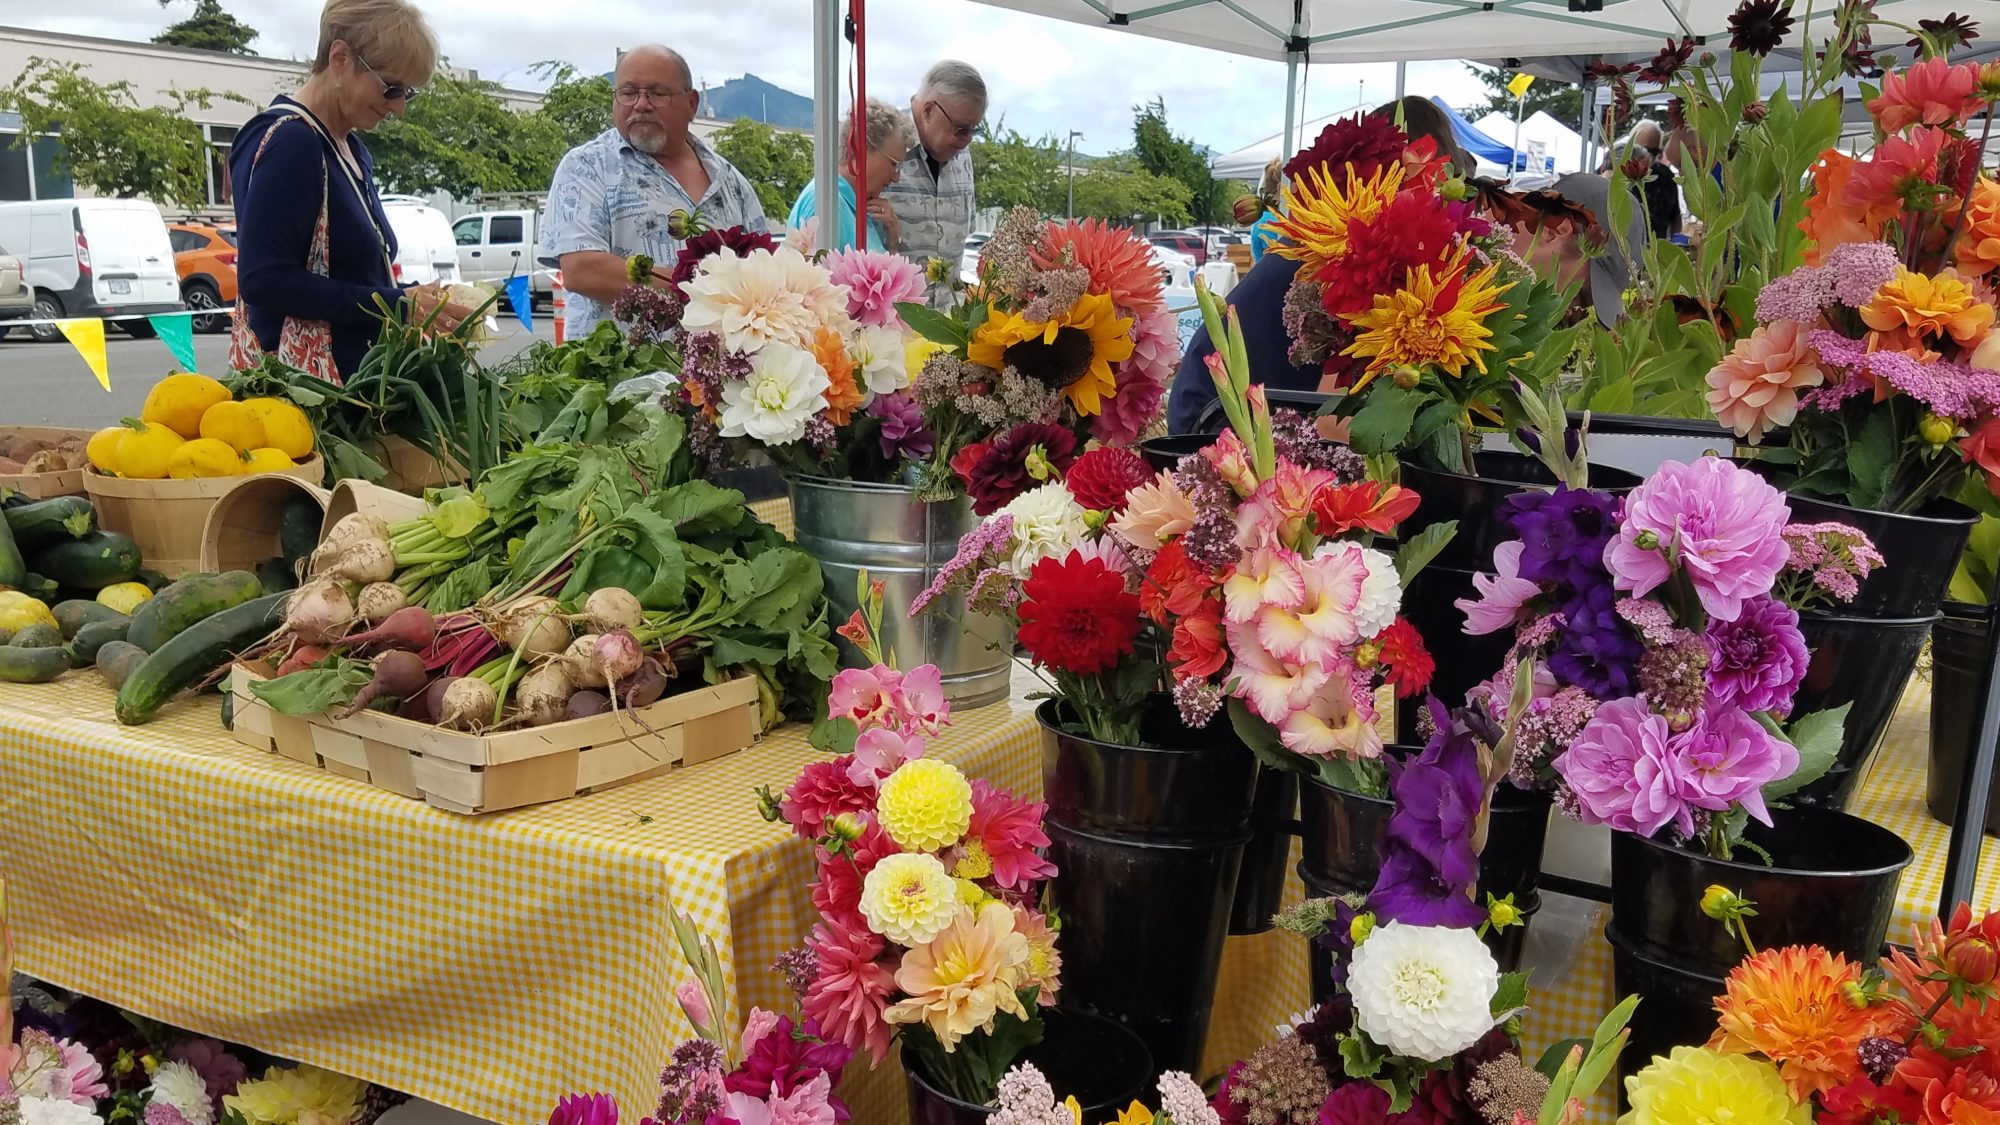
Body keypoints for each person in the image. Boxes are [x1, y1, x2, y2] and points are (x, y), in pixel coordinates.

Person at [1167, 97, 1473, 435]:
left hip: (1211, 416)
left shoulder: (1330, 244)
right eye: (1432, 185)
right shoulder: (1346, 259)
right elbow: (1338, 426)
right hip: (1215, 432)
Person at [229, 0, 469, 383]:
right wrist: (397, 305)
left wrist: (417, 298)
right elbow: (264, 280)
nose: (399, 108)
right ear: (340, 58)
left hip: (353, 393)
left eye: (408, 93)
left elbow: (349, 276)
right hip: (309, 399)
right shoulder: (291, 142)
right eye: (391, 88)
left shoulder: (351, 148)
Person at [538, 45, 766, 339]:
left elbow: (764, 269)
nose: (641, 104)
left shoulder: (730, 181)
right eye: (629, 92)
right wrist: (703, 294)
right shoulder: (587, 167)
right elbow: (583, 270)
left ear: (692, 104)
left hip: (718, 379)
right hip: (619, 379)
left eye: (658, 93)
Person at [882, 60, 985, 305]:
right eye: (960, 129)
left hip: (950, 327)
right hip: (894, 329)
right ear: (928, 110)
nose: (967, 140)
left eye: (974, 129)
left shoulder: (963, 157)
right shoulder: (881, 144)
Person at [785, 98, 914, 254]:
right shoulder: (826, 203)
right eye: (894, 165)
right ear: (859, 150)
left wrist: (893, 239)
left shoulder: (853, 205)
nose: (896, 178)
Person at [1632, 120, 1682, 239]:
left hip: (1656, 249)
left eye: (1654, 151)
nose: (1648, 156)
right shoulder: (1617, 172)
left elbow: (1675, 217)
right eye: (1643, 150)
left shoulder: (1665, 176)